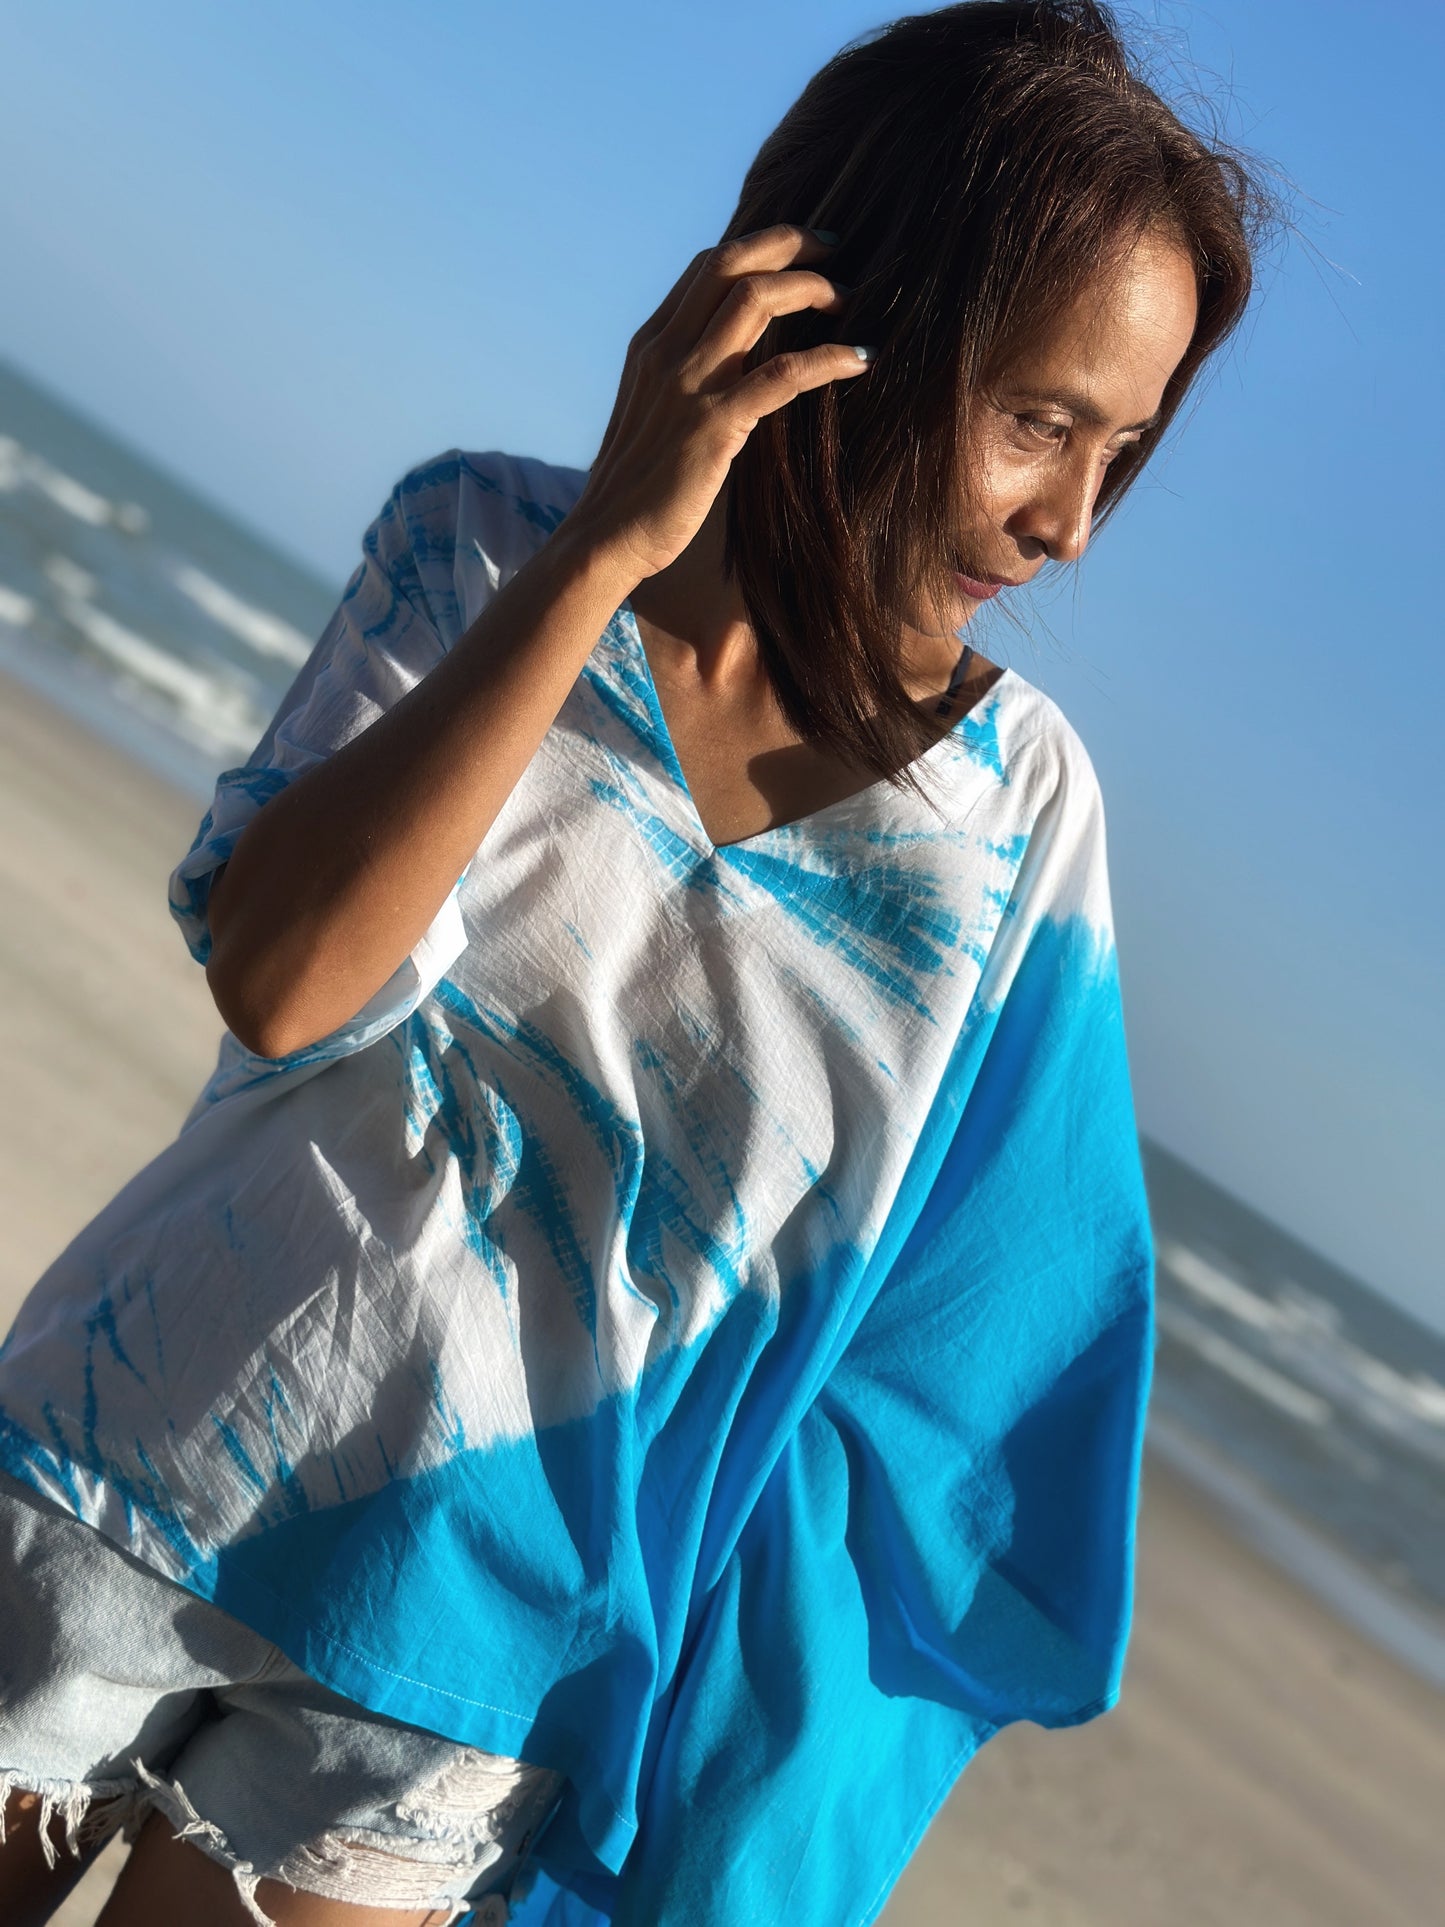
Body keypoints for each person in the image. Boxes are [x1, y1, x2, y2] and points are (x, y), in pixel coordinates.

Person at [0, 3, 1266, 1923]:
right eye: (1034, 421)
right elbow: (281, 978)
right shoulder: (482, 539)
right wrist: (600, 547)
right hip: (116, 1466)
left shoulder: (1016, 829)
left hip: (457, 1664)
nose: (1070, 524)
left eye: (1121, 450)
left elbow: (965, 1375)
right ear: (855, 319)